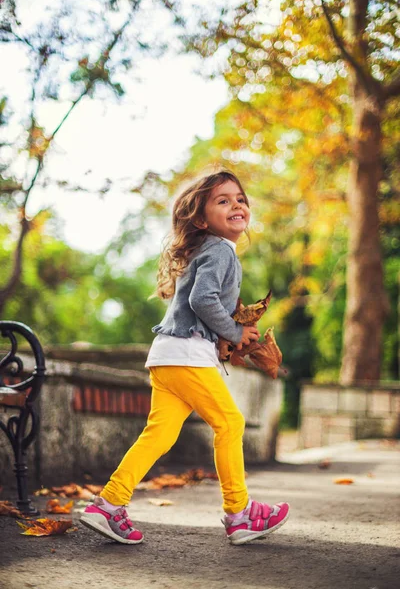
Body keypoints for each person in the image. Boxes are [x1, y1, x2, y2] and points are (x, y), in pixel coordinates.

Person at [80, 170, 289, 546]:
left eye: (240, 198)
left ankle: (108, 504)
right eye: (223, 201)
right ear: (201, 218)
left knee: (159, 435)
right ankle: (239, 513)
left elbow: (201, 303)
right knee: (230, 423)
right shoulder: (221, 250)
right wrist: (235, 332)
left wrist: (225, 338)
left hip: (168, 355)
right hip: (187, 355)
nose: (236, 205)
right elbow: (202, 300)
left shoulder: (209, 249)